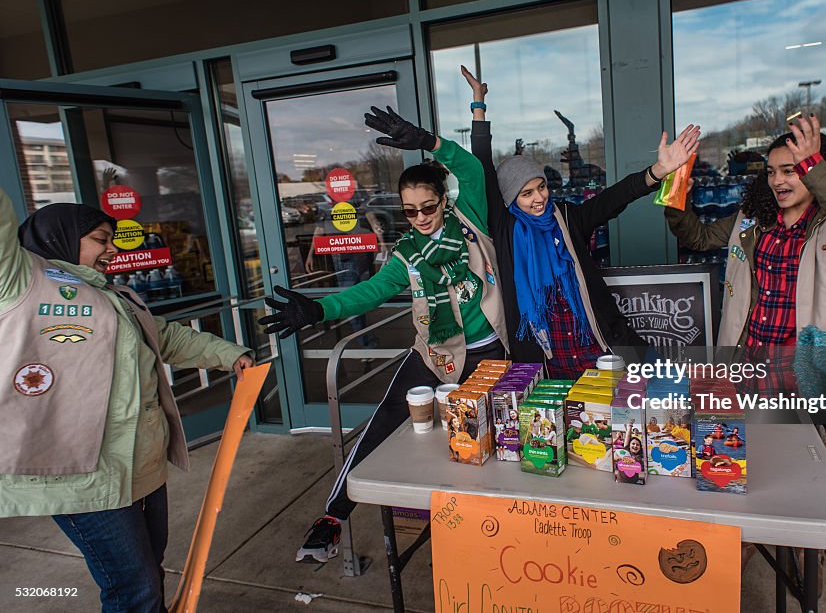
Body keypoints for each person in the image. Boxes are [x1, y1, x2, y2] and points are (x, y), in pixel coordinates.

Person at [0, 189, 253, 613]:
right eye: (101, 239)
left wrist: (230, 356)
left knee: (147, 576)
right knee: (134, 590)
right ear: (61, 237)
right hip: (82, 478)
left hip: (141, 466)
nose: (113, 249)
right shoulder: (20, 280)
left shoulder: (113, 296)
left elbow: (166, 336)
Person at [367, 67, 700, 377]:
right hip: (545, 358)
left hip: (597, 349)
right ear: (512, 199)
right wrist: (477, 106)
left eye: (541, 187)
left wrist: (658, 171)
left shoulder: (568, 218)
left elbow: (614, 198)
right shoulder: (503, 228)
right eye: (526, 193)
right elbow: (481, 163)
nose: (539, 198)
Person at [260, 150, 509, 563]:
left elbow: (472, 169)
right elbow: (370, 291)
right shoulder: (406, 255)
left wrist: (434, 141)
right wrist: (320, 310)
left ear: (444, 201)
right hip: (435, 354)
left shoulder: (469, 223)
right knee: (384, 420)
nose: (421, 217)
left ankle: (494, 526)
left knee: (493, 438)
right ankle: (333, 517)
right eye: (410, 211)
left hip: (487, 352)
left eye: (428, 207)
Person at [666, 116, 826, 395]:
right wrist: (675, 192)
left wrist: (813, 165)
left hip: (803, 376)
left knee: (806, 440)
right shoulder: (752, 220)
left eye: (790, 170)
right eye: (771, 172)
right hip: (746, 366)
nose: (777, 180)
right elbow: (698, 238)